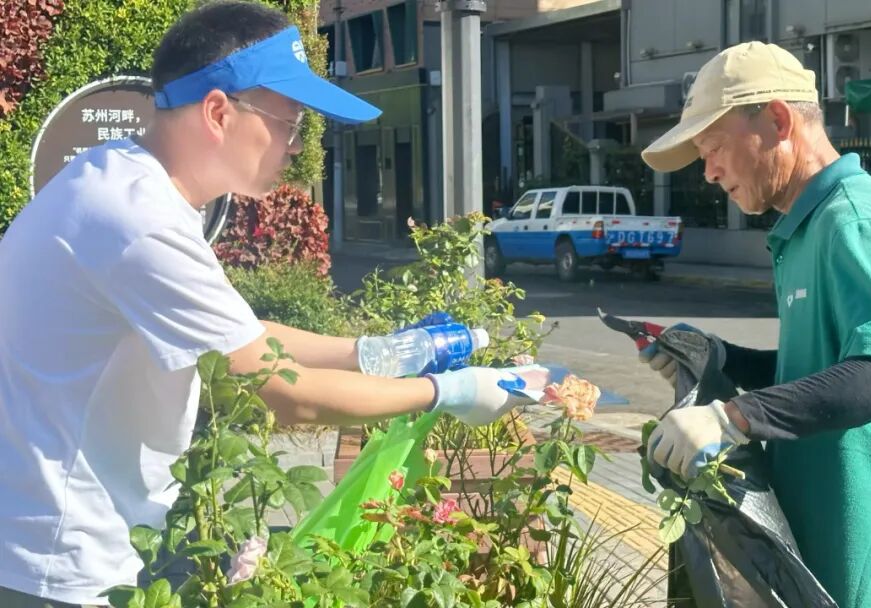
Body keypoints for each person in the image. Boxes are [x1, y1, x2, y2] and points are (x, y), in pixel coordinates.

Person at [0, 3, 530, 606]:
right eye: (289, 122)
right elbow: (285, 396)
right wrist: (451, 393)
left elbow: (241, 336)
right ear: (219, 112)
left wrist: (378, 353)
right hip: (61, 560)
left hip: (62, 535)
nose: (296, 145)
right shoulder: (137, 221)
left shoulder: (119, 180)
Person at [637, 42, 871, 607]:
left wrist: (733, 417)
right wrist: (718, 358)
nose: (709, 172)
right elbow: (828, 367)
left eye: (715, 148)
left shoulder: (853, 219)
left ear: (776, 119)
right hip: (838, 548)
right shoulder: (807, 226)